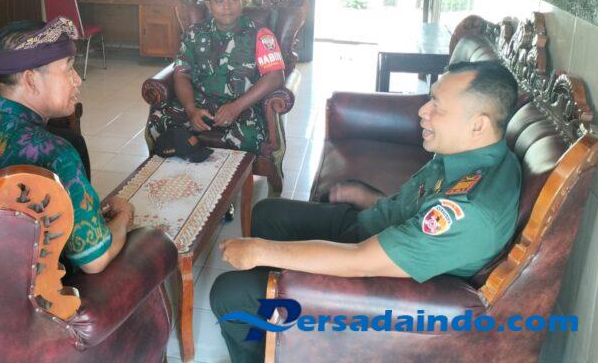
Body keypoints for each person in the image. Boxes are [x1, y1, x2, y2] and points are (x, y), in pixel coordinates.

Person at [210, 61, 521, 362]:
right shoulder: (470, 153)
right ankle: (274, 326)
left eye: (436, 105)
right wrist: (369, 197)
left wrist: (260, 251)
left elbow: (359, 260)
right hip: (375, 230)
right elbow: (419, 208)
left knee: (230, 293)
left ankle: (267, 328)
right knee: (268, 213)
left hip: (376, 276)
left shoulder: (469, 211)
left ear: (478, 124)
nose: (423, 111)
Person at [0, 17, 134, 273]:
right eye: (68, 68)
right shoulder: (55, 154)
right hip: (29, 290)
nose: (77, 79)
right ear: (30, 80)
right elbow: (94, 261)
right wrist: (125, 215)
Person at [147, 0, 285, 152]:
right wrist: (191, 110)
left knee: (249, 137)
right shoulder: (194, 33)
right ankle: (186, 164)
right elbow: (181, 74)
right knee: (158, 120)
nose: (227, 6)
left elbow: (275, 76)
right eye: (219, 1)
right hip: (200, 103)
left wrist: (235, 107)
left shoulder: (261, 34)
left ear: (241, 1)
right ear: (209, 5)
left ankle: (228, 170)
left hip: (243, 107)